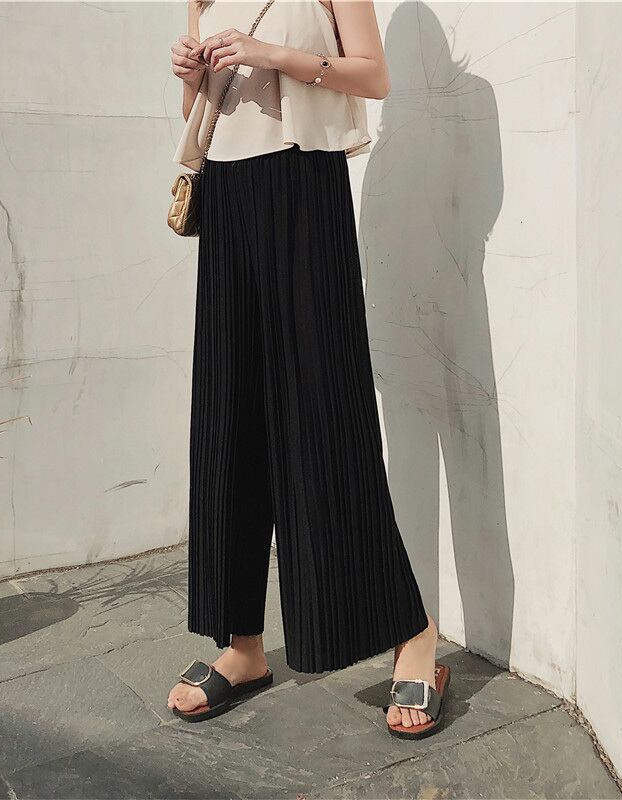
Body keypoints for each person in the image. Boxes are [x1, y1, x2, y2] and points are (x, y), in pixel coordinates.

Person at [166, 0, 450, 739]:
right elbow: (204, 115)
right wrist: (191, 77)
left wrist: (270, 54)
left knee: (326, 415)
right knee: (228, 416)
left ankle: (414, 634)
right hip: (227, 201)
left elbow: (374, 77)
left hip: (303, 189)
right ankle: (242, 646)